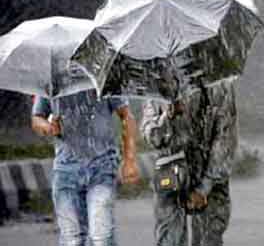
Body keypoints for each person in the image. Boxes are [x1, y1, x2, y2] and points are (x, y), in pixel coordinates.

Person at [141, 65, 238, 246]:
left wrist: (204, 187)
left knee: (209, 238)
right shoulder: (157, 81)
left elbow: (225, 139)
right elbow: (151, 136)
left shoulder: (219, 82)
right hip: (170, 175)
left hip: (210, 174)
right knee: (169, 240)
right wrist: (167, 118)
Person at [31, 89, 140, 246]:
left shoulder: (102, 80)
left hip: (102, 168)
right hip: (66, 171)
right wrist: (47, 127)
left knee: (101, 236)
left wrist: (129, 160)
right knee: (72, 239)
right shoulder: (52, 83)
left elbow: (126, 116)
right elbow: (37, 118)